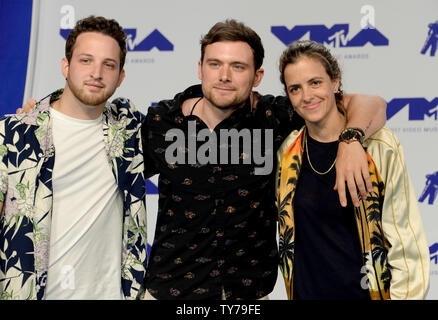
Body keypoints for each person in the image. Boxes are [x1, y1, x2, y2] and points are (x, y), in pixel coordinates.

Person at [141, 20, 387, 300]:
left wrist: (351, 139)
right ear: (200, 69)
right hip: (170, 293)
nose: (224, 76)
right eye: (214, 64)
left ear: (257, 76)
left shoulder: (272, 115)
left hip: (248, 296)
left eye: (238, 67)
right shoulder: (163, 120)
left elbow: (371, 103)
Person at [0, 16, 147, 300]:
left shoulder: (130, 133)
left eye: (109, 64)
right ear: (65, 66)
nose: (97, 73)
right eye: (85, 61)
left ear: (121, 76)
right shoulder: (14, 135)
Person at [275, 40, 429, 300]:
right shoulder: (288, 150)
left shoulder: (379, 146)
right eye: (295, 88)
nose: (307, 96)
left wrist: (351, 139)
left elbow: (406, 246)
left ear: (335, 82)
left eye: (315, 82)